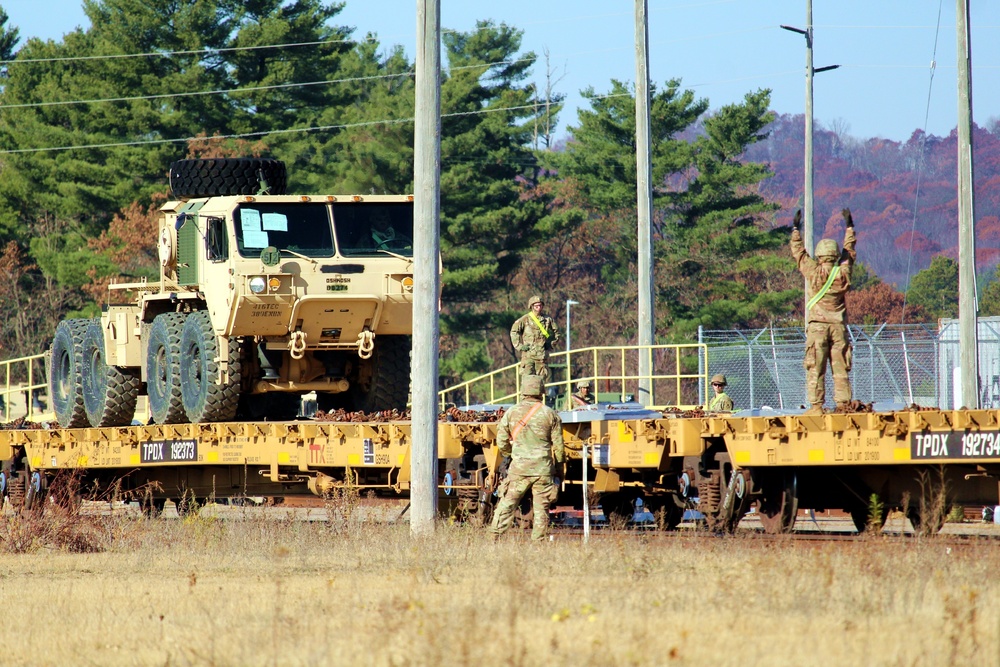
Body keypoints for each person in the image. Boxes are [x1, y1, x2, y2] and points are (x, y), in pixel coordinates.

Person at [791, 207, 857, 414]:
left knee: (816, 368)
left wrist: (795, 229)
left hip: (818, 327)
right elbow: (850, 252)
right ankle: (843, 405)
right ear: (835, 255)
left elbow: (799, 253)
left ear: (819, 255)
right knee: (840, 369)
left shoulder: (813, 271)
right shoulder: (842, 272)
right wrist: (849, 227)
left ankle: (817, 406)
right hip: (838, 327)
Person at [490, 375, 565, 542]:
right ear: (541, 391)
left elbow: (501, 441)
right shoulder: (550, 414)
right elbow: (559, 448)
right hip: (543, 470)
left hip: (519, 469)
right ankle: (538, 543)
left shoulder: (511, 413)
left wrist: (512, 454)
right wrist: (559, 471)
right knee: (541, 509)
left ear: (523, 390)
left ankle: (495, 538)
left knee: (507, 504)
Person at [509, 295, 561, 381]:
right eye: (536, 306)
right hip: (528, 356)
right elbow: (514, 332)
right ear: (532, 307)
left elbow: (557, 333)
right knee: (527, 382)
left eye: (540, 305)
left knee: (540, 383)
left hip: (542, 357)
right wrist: (519, 346)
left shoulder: (548, 320)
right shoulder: (525, 319)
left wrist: (551, 344)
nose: (539, 308)